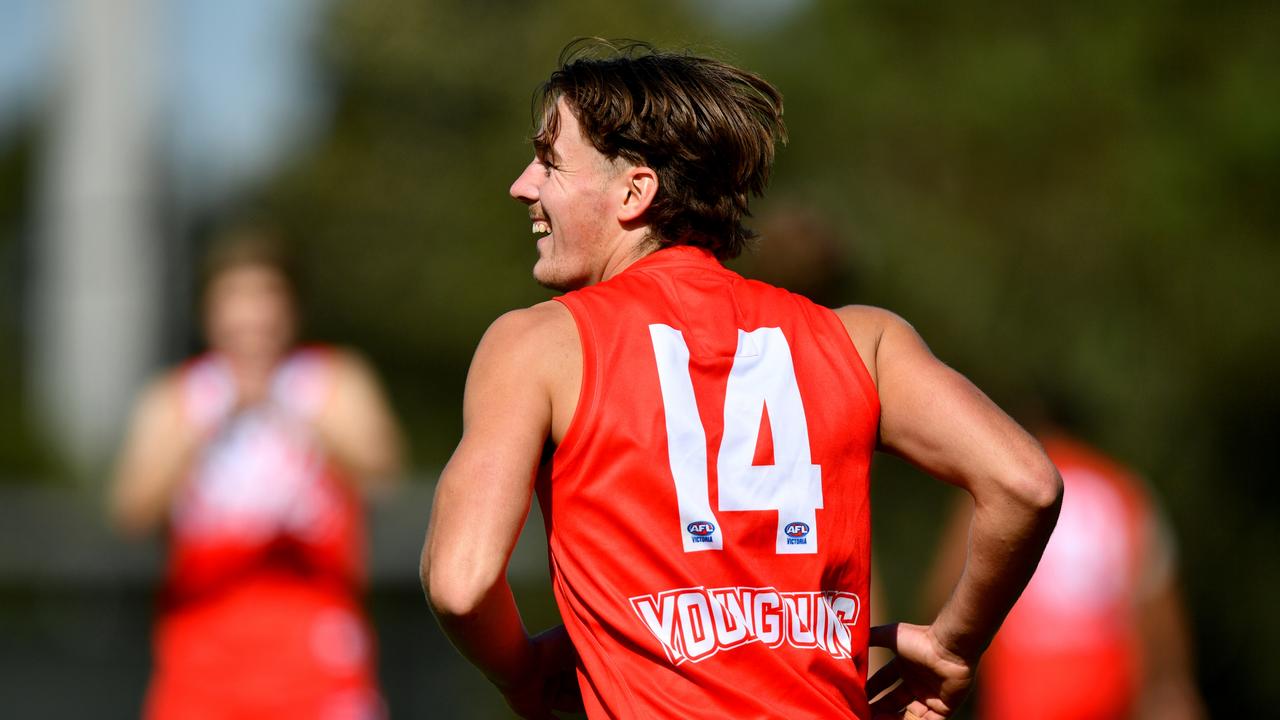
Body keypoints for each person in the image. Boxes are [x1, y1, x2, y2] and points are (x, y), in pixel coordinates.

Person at [421, 40, 1062, 720]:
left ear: (635, 191)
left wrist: (525, 676)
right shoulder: (865, 341)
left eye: (549, 161)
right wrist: (953, 646)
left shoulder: (538, 343)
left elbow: (461, 584)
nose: (524, 184)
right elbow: (1026, 483)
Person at [111, 226, 404, 719]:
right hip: (201, 669)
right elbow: (131, 511)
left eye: (266, 296)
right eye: (235, 298)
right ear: (208, 310)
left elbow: (383, 473)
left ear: (291, 307)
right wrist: (209, 422)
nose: (252, 316)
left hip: (319, 662)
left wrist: (292, 408)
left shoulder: (333, 381)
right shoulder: (176, 400)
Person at [925, 431, 1207, 720]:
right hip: (1109, 701)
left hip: (1022, 702)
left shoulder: (1002, 486)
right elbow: (1159, 619)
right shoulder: (1123, 487)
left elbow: (943, 599)